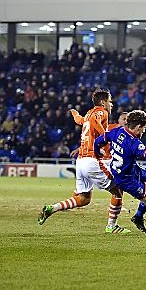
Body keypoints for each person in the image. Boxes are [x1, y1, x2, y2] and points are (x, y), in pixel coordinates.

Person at [38, 89, 130, 234]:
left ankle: (52, 208)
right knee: (118, 190)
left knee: (84, 199)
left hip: (81, 161)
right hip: (92, 160)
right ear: (102, 102)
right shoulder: (101, 112)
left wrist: (75, 114)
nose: (111, 104)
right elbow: (95, 123)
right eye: (109, 101)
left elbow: (80, 121)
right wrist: (105, 136)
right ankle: (111, 226)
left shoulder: (88, 113)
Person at [70, 110, 129, 232]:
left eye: (128, 119)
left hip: (112, 162)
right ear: (118, 120)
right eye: (124, 119)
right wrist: (80, 148)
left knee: (117, 189)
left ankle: (76, 199)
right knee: (117, 189)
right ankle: (111, 223)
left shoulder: (130, 134)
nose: (126, 121)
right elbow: (96, 137)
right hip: (103, 161)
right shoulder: (111, 128)